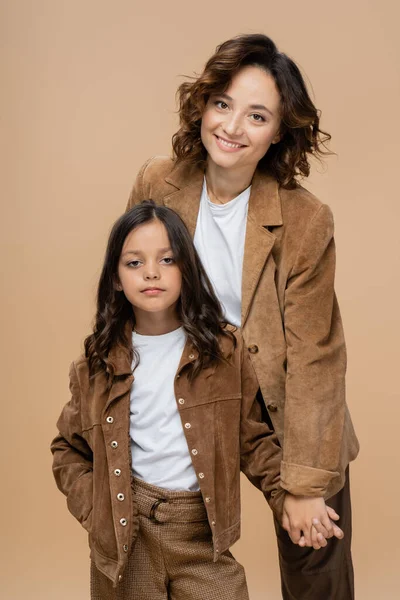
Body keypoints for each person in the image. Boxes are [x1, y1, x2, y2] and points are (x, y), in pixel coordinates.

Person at [126, 34, 360, 599]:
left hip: (283, 402)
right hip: (192, 387)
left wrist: (303, 485)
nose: (232, 126)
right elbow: (133, 283)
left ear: (278, 131)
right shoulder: (159, 181)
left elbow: (314, 356)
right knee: (157, 541)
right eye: (222, 104)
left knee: (315, 552)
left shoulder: (306, 219)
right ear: (203, 105)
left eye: (256, 115)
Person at [51, 202, 340, 600]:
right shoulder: (95, 365)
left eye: (167, 259)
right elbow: (67, 449)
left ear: (187, 269)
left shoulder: (223, 350)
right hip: (126, 535)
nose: (151, 272)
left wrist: (287, 495)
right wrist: (97, 511)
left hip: (201, 531)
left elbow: (251, 440)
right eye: (134, 263)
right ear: (116, 278)